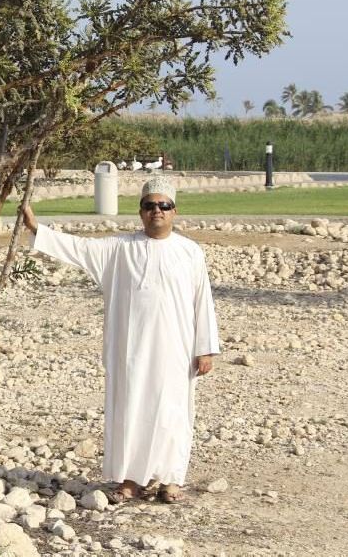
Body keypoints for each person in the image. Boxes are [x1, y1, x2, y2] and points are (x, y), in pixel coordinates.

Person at [21, 176, 219, 504]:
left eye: (163, 205)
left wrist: (205, 349)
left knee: (172, 411)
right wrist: (36, 228)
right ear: (140, 212)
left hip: (177, 349)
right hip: (132, 350)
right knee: (132, 408)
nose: (157, 211)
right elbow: (79, 249)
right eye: (149, 206)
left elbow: (203, 302)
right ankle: (130, 479)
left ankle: (170, 479)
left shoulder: (190, 252)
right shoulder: (120, 248)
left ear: (174, 211)